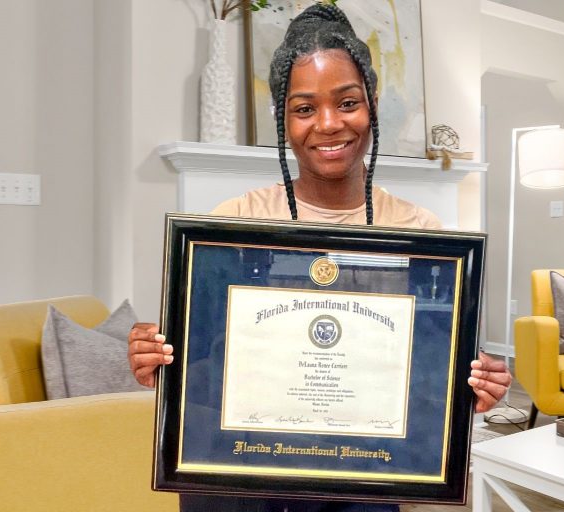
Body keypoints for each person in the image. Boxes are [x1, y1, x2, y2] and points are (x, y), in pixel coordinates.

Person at [128, 4, 512, 511]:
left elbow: (432, 373)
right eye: (304, 108)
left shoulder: (422, 235)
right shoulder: (235, 222)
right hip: (241, 475)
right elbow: (199, 358)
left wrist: (473, 384)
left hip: (365, 476)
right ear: (284, 121)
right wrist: (159, 355)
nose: (328, 125)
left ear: (372, 103)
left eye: (347, 102)